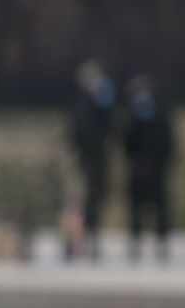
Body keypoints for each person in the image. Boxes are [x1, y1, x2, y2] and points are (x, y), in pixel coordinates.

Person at [66, 59, 118, 261]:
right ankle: (73, 243)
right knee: (77, 203)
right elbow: (79, 133)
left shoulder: (102, 106)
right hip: (82, 161)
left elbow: (111, 130)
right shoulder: (81, 105)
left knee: (95, 202)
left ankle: (91, 239)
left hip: (98, 160)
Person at [121, 74, 176, 262]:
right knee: (135, 207)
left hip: (157, 168)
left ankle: (161, 242)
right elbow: (126, 143)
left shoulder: (161, 112)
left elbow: (169, 142)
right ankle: (135, 242)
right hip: (137, 167)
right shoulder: (130, 115)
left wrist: (160, 161)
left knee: (160, 207)